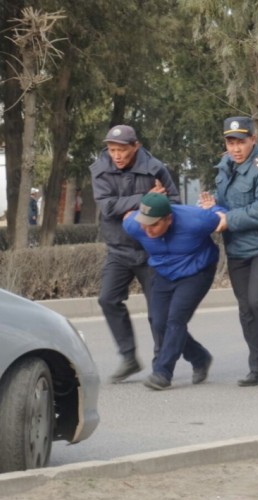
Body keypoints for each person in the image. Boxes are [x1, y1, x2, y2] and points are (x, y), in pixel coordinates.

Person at [200, 116, 258, 388]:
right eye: (230, 142)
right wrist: (214, 206)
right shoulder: (226, 165)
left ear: (253, 139)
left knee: (257, 300)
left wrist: (228, 220)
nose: (235, 148)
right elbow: (230, 201)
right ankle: (256, 366)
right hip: (237, 247)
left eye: (241, 142)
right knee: (245, 308)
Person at [91, 124, 180, 383]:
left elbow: (173, 202)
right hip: (118, 248)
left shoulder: (155, 168)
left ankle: (161, 365)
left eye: (122, 150)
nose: (116, 155)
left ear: (135, 146)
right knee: (107, 299)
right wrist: (144, 199)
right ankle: (128, 357)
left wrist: (148, 208)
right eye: (112, 150)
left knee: (158, 313)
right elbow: (107, 207)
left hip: (152, 250)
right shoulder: (100, 169)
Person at [122, 193, 224, 390]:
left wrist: (213, 207)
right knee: (158, 322)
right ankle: (200, 357)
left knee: (176, 319)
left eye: (153, 225)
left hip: (197, 271)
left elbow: (221, 217)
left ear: (168, 219)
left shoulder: (196, 220)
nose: (147, 230)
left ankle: (163, 372)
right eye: (144, 224)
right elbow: (128, 218)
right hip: (164, 272)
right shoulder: (133, 225)